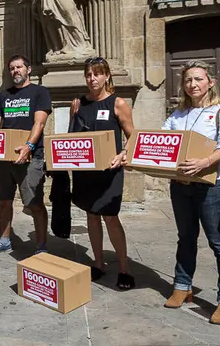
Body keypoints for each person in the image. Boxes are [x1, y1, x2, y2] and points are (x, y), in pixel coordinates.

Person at [161, 60, 220, 325]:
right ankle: (183, 286)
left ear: (210, 82)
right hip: (180, 187)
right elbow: (160, 139)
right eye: (187, 80)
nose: (192, 84)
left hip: (211, 187)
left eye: (198, 79)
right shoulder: (177, 114)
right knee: (185, 237)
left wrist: (204, 162)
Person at [70, 58, 135, 289]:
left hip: (110, 170)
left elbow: (132, 136)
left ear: (107, 76)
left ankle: (124, 269)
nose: (92, 79)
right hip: (86, 172)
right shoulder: (78, 103)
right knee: (91, 215)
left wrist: (123, 154)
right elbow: (71, 136)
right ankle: (98, 264)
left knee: (110, 217)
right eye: (88, 74)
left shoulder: (117, 104)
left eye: (97, 74)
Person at [0, 55, 52, 255]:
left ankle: (41, 246)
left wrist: (28, 146)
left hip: (31, 157)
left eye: (19, 67)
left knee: (34, 203)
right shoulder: (4, 95)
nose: (15, 71)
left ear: (28, 69)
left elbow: (39, 122)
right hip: (5, 158)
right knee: (3, 200)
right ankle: (4, 240)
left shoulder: (40, 92)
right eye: (12, 68)